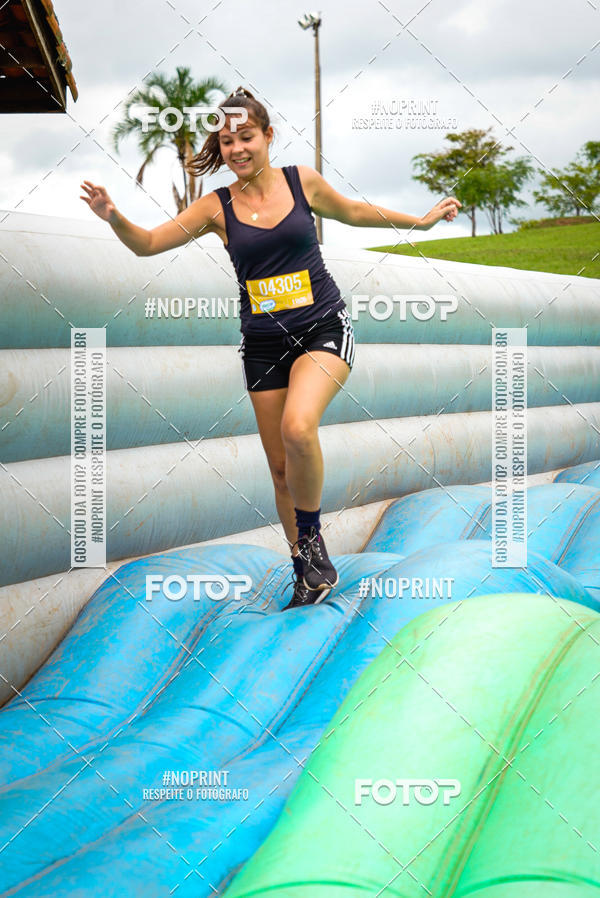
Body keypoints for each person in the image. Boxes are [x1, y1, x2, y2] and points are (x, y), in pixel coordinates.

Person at [80, 86, 461, 611]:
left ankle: (313, 544)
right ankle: (306, 569)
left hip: (323, 328)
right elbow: (147, 244)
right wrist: (112, 216)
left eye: (246, 136)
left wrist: (418, 221)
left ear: (267, 137)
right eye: (227, 139)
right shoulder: (216, 206)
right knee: (280, 469)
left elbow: (352, 210)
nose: (236, 148)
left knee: (298, 427)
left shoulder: (300, 181)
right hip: (262, 345)